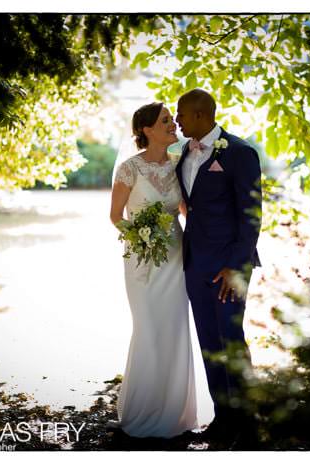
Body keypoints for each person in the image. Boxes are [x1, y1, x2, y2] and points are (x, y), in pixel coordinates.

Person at [175, 89, 262, 439]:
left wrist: (236, 267)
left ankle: (247, 421)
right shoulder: (185, 152)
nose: (178, 121)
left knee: (231, 339)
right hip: (195, 264)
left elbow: (251, 215)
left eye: (181, 115)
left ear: (200, 114)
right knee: (209, 341)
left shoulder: (240, 153)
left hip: (229, 267)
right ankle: (223, 418)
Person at [109, 102, 198, 438]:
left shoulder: (179, 165)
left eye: (172, 119)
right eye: (165, 120)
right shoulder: (129, 169)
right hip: (142, 262)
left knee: (174, 329)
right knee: (148, 328)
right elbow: (116, 215)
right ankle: (142, 408)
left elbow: (187, 211)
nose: (173, 123)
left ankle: (175, 412)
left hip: (175, 258)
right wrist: (140, 238)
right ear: (146, 129)